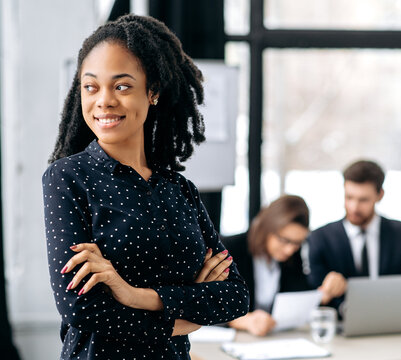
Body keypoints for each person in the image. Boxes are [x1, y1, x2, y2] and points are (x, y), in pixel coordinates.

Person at [42, 14, 249, 359]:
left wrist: (131, 293)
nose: (103, 100)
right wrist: (184, 319)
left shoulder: (180, 190)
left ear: (152, 91)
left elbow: (235, 295)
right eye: (90, 86)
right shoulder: (67, 178)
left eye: (121, 86)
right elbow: (81, 309)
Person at [307, 160, 401, 323]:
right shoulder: (321, 237)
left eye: (363, 200)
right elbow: (312, 296)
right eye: (349, 197)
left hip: (391, 325)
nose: (354, 207)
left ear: (380, 195)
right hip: (342, 328)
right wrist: (326, 292)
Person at [222, 195, 347, 336]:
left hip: (274, 340)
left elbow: (297, 297)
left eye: (297, 242)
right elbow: (204, 302)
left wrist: (324, 294)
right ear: (266, 229)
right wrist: (243, 320)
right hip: (233, 341)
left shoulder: (293, 256)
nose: (290, 249)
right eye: (284, 240)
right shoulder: (229, 249)